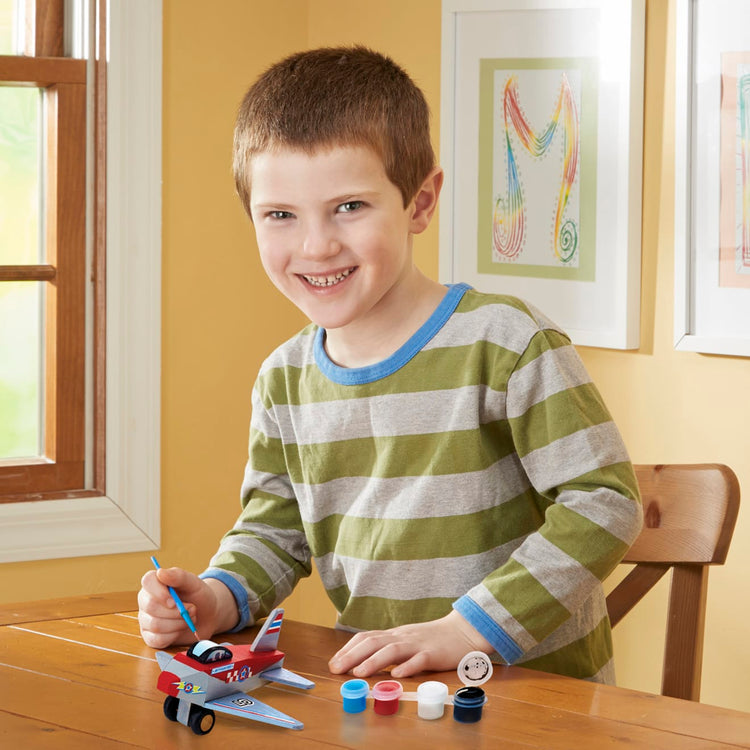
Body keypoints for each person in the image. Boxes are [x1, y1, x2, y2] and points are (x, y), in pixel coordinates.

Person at [138, 46, 643, 684]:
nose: (316, 245)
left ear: (420, 203)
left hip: (531, 696)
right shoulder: (285, 379)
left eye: (349, 206)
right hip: (384, 693)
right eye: (280, 216)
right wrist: (213, 599)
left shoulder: (506, 342)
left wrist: (467, 631)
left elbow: (605, 502)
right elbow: (275, 529)